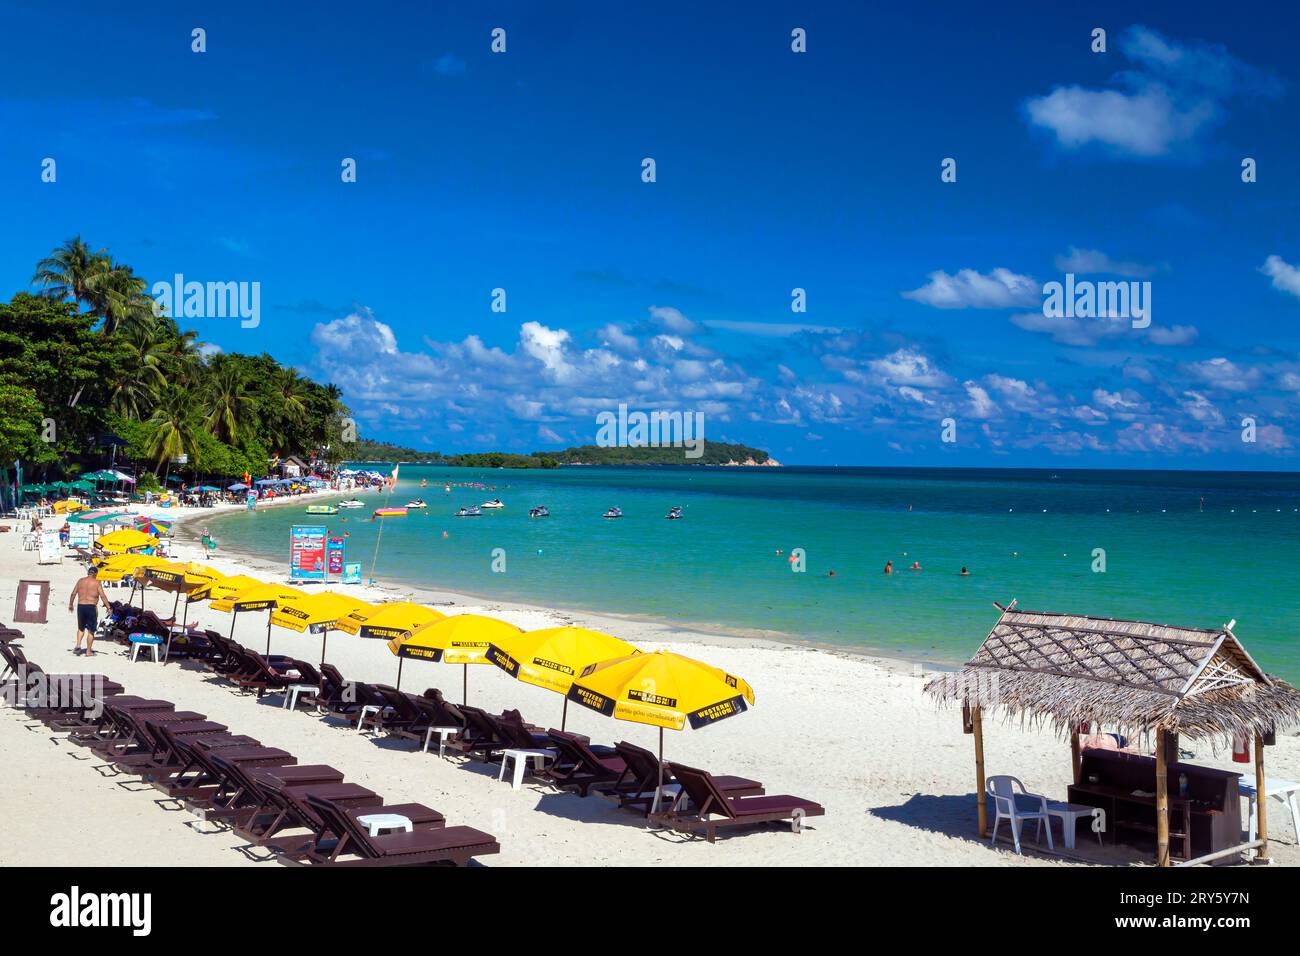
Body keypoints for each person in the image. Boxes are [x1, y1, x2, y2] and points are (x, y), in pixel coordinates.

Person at [68, 565, 110, 657]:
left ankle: (78, 645)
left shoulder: (80, 581)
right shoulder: (97, 582)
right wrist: (108, 607)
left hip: (81, 606)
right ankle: (88, 651)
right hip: (91, 607)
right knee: (91, 630)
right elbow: (102, 596)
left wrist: (71, 604)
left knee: (81, 628)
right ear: (95, 574)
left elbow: (73, 594)